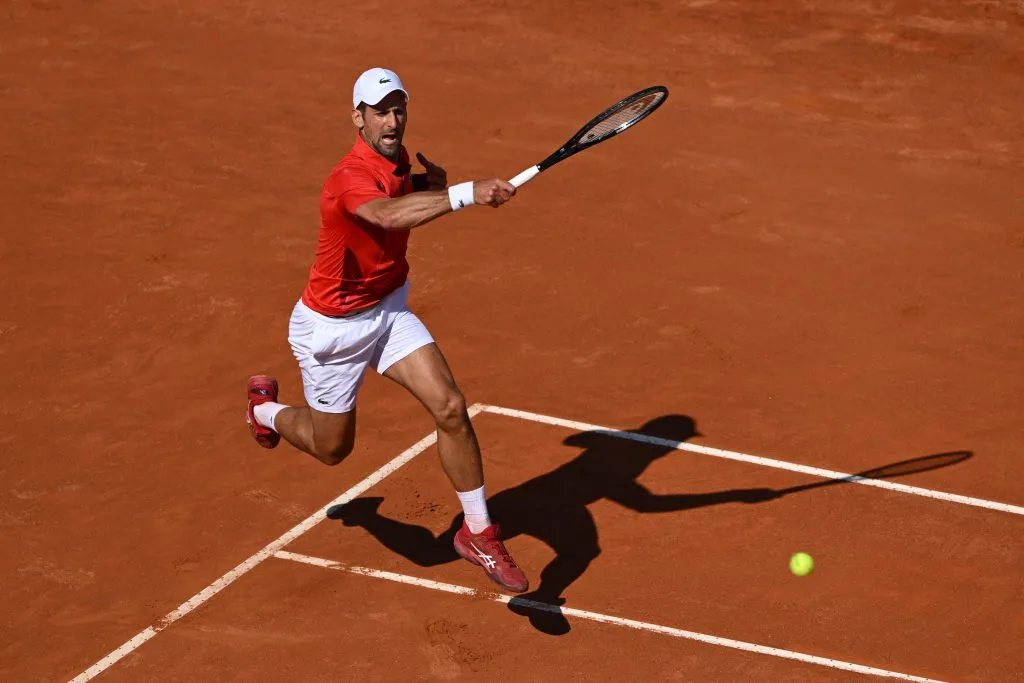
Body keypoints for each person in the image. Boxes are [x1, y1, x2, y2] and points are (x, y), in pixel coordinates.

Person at [245, 67, 527, 593]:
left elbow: (400, 190)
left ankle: (479, 532)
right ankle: (262, 409)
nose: (393, 119)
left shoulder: (396, 158)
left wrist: (429, 184)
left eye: (399, 108)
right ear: (358, 118)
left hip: (388, 310)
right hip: (331, 331)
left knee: (449, 405)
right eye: (380, 110)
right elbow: (388, 216)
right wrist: (464, 193)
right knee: (332, 450)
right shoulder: (348, 176)